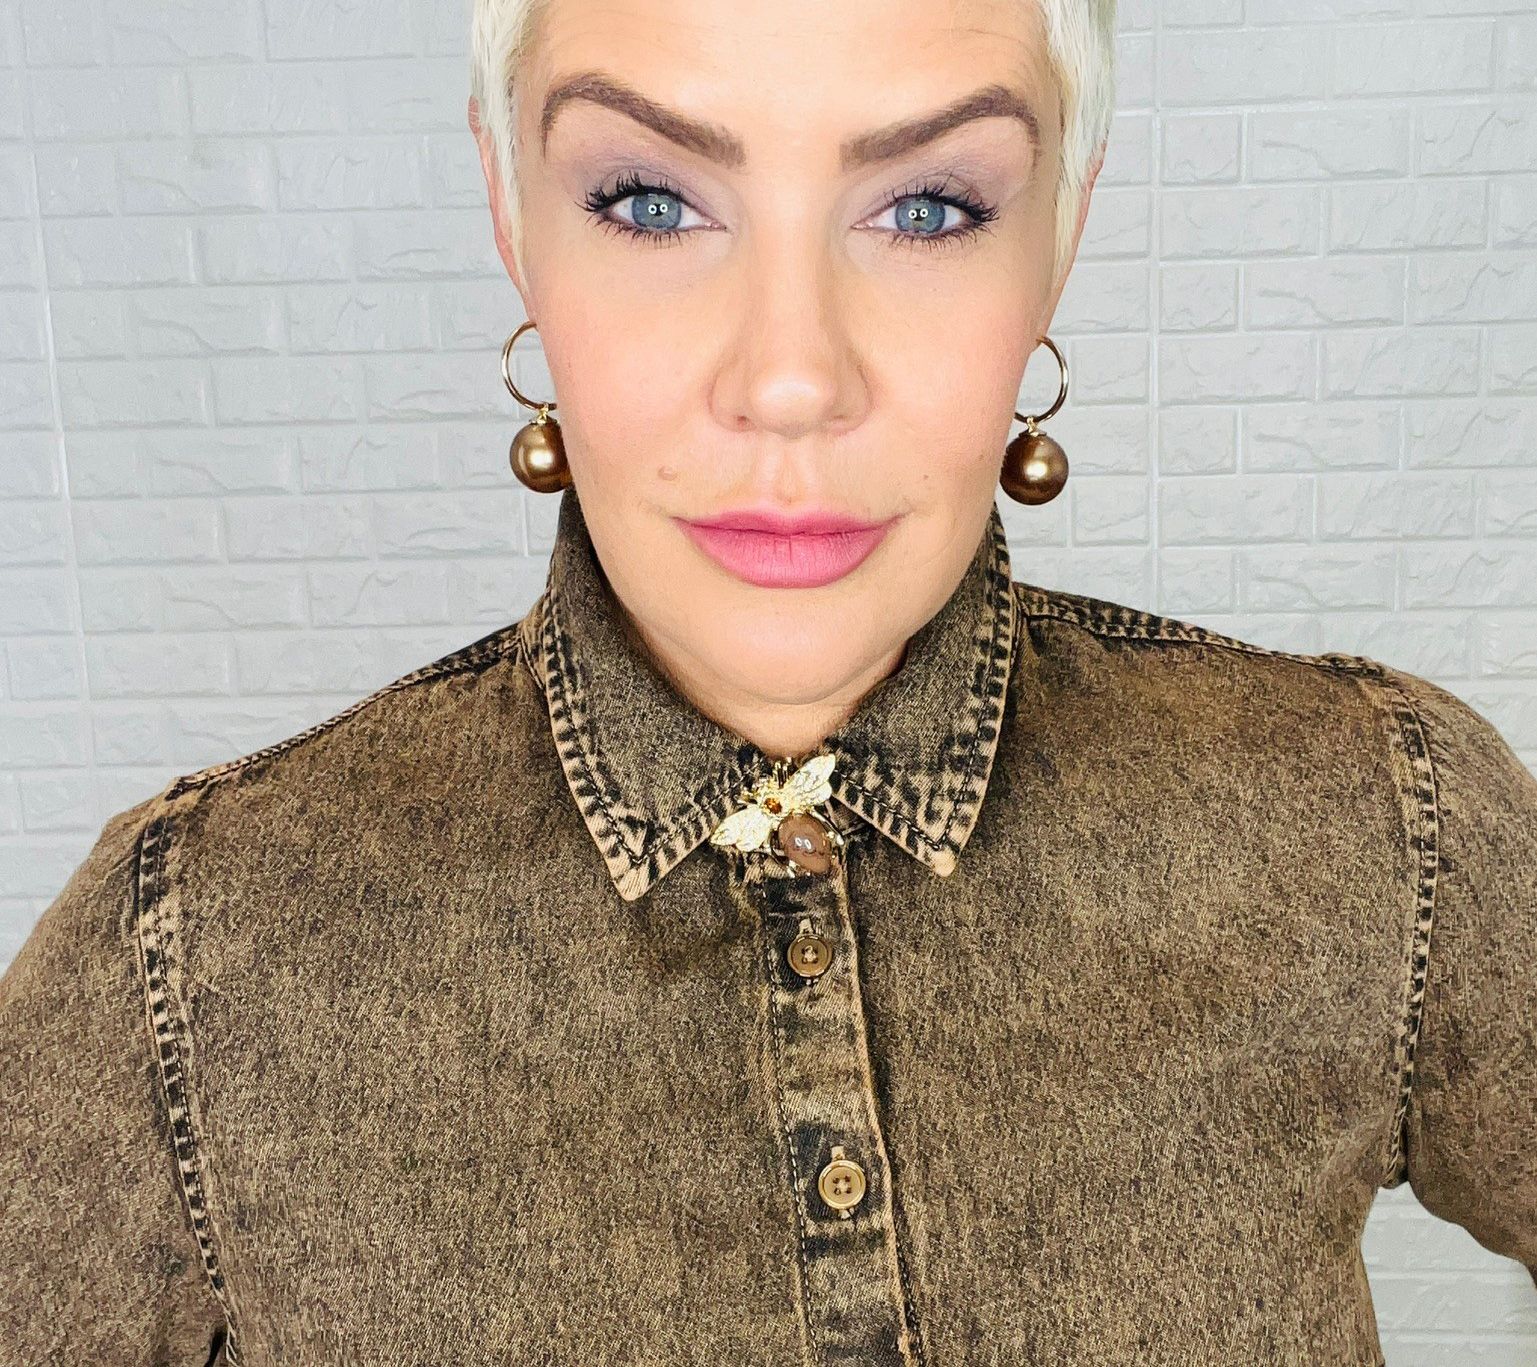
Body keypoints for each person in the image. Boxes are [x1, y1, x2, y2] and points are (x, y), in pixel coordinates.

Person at [3, 0, 1534, 1363]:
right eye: (650, 202)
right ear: (509, 211)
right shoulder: (187, 952)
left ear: (1060, 232)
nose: (791, 379)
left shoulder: (1380, 817)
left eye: (926, 209)